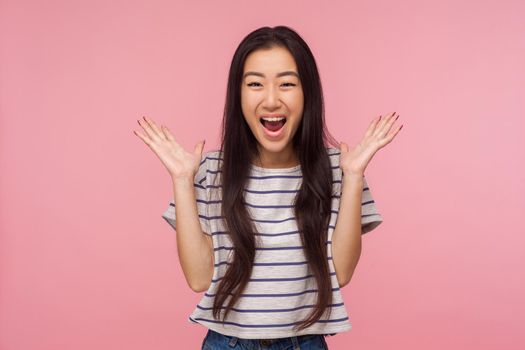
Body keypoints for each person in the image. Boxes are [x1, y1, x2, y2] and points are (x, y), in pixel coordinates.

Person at [134, 25, 402, 350]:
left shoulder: (341, 168)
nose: (271, 99)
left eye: (287, 84)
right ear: (239, 95)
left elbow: (341, 272)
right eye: (255, 84)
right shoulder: (207, 170)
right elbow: (199, 279)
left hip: (304, 343)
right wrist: (181, 179)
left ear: (308, 94)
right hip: (226, 344)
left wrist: (354, 176)